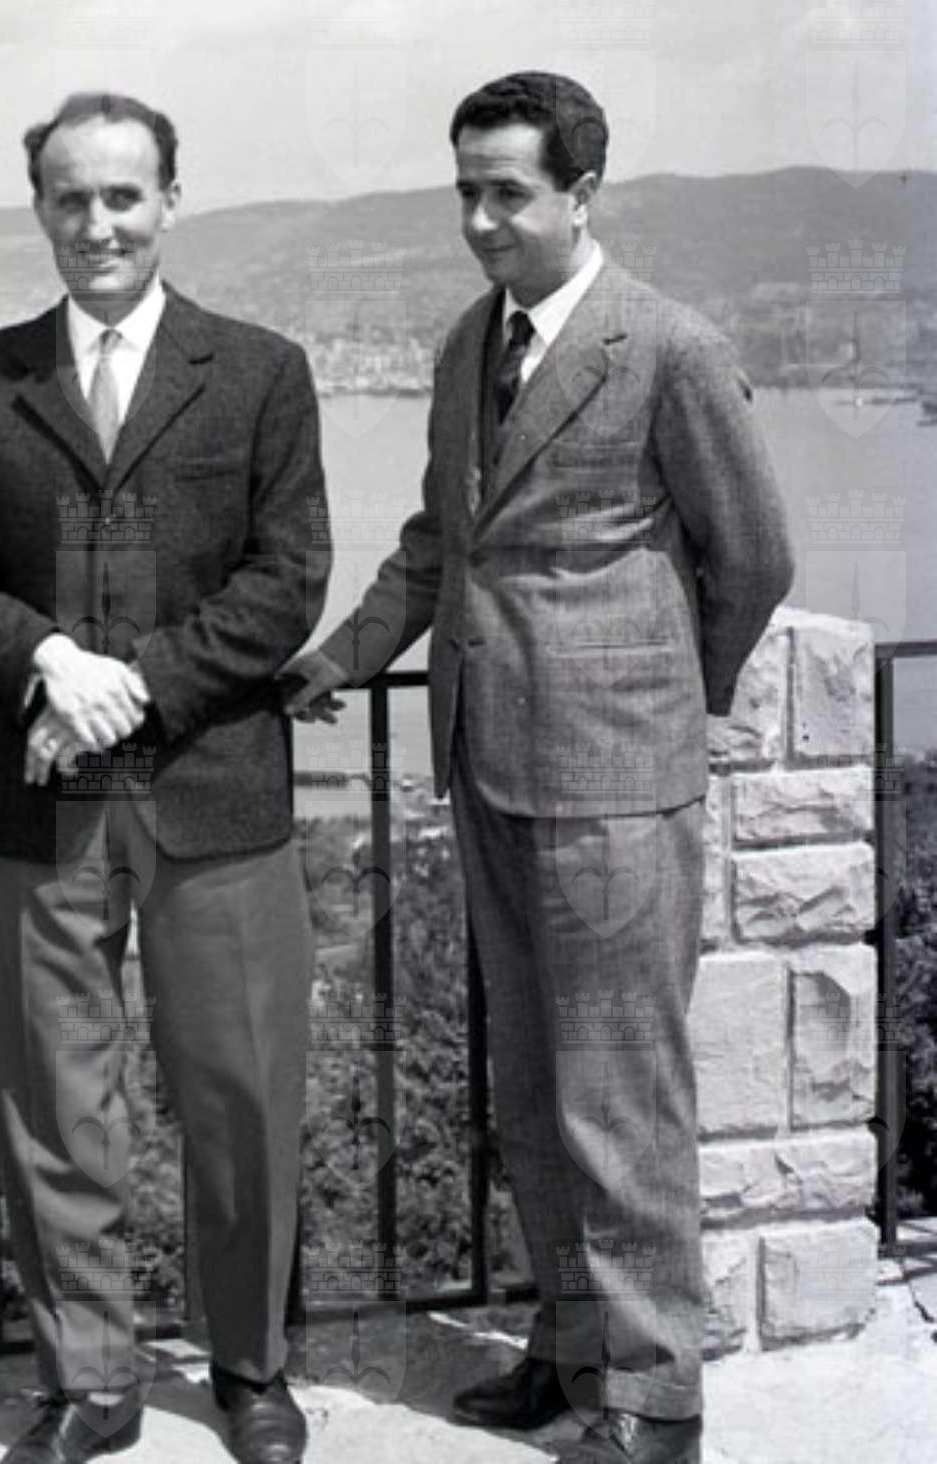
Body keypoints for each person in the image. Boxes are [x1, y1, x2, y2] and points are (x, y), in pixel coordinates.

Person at [286, 71, 793, 1464]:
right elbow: (440, 543)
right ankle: (573, 1354)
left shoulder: (669, 347)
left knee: (621, 1096)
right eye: (466, 191)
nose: (480, 220)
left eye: (508, 193)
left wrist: (668, 702)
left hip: (617, 782)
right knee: (531, 1090)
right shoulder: (469, 345)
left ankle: (656, 1396)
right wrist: (340, 658)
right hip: (489, 764)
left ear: (582, 194)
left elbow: (753, 558)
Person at [0, 92, 331, 1464]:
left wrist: (126, 687)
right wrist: (47, 659)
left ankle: (251, 1368)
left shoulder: (261, 371)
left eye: (123, 197)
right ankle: (90, 1381)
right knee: (54, 1097)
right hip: (31, 800)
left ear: (169, 203)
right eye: (70, 198)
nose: (96, 224)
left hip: (214, 789)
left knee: (243, 1094)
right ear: (39, 207)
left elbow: (286, 581)